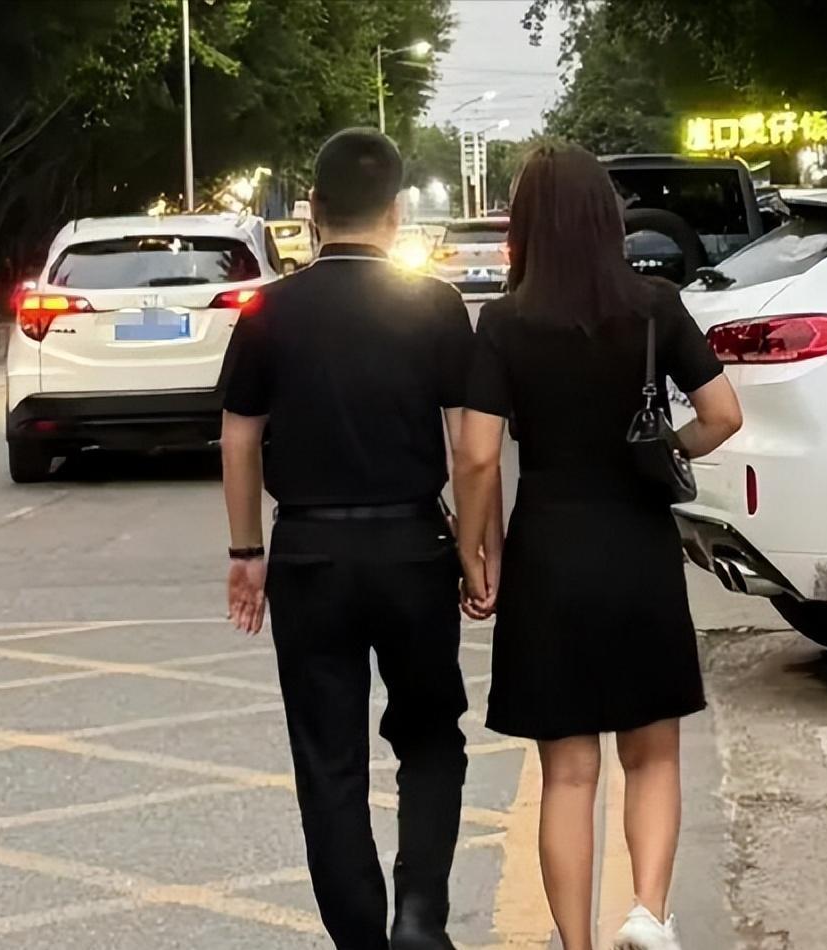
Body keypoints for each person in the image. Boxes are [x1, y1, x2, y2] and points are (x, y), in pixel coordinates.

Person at [452, 144, 743, 950]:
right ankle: (648, 913)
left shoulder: (504, 322)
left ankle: (577, 945)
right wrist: (666, 449)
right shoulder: (655, 306)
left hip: (549, 552)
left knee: (569, 774)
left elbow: (476, 456)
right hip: (639, 547)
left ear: (525, 225)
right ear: (606, 219)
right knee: (652, 754)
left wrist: (478, 551)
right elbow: (724, 414)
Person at [220, 128, 496, 950]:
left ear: (313, 211)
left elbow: (238, 438)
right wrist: (475, 549)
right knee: (431, 736)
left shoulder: (269, 310)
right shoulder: (435, 306)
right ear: (397, 212)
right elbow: (472, 450)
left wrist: (246, 555)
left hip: (308, 556)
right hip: (413, 549)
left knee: (327, 760)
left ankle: (361, 941)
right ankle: (420, 916)